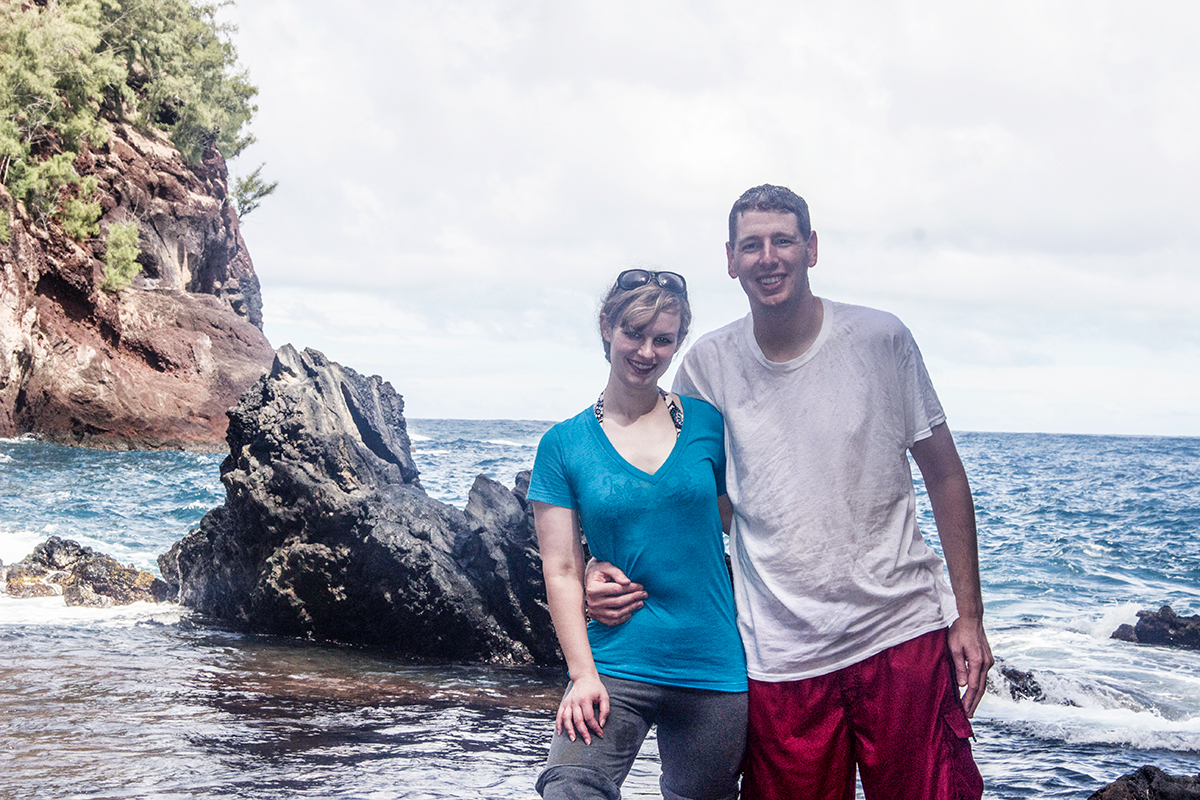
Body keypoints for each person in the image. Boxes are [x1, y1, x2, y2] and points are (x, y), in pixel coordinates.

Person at [587, 185, 994, 800]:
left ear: (811, 247)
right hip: (778, 654)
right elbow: (677, 497)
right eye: (752, 245)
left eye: (783, 240)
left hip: (899, 629)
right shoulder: (707, 366)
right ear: (730, 259)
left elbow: (944, 474)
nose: (768, 257)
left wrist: (969, 615)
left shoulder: (881, 339)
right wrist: (596, 564)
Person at [528, 269, 748, 800]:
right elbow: (558, 568)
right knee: (569, 787)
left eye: (663, 339)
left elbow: (745, 529)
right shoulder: (563, 445)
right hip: (615, 663)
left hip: (713, 666)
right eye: (634, 332)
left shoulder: (706, 425)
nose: (646, 351)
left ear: (678, 343)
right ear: (607, 327)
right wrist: (582, 675)